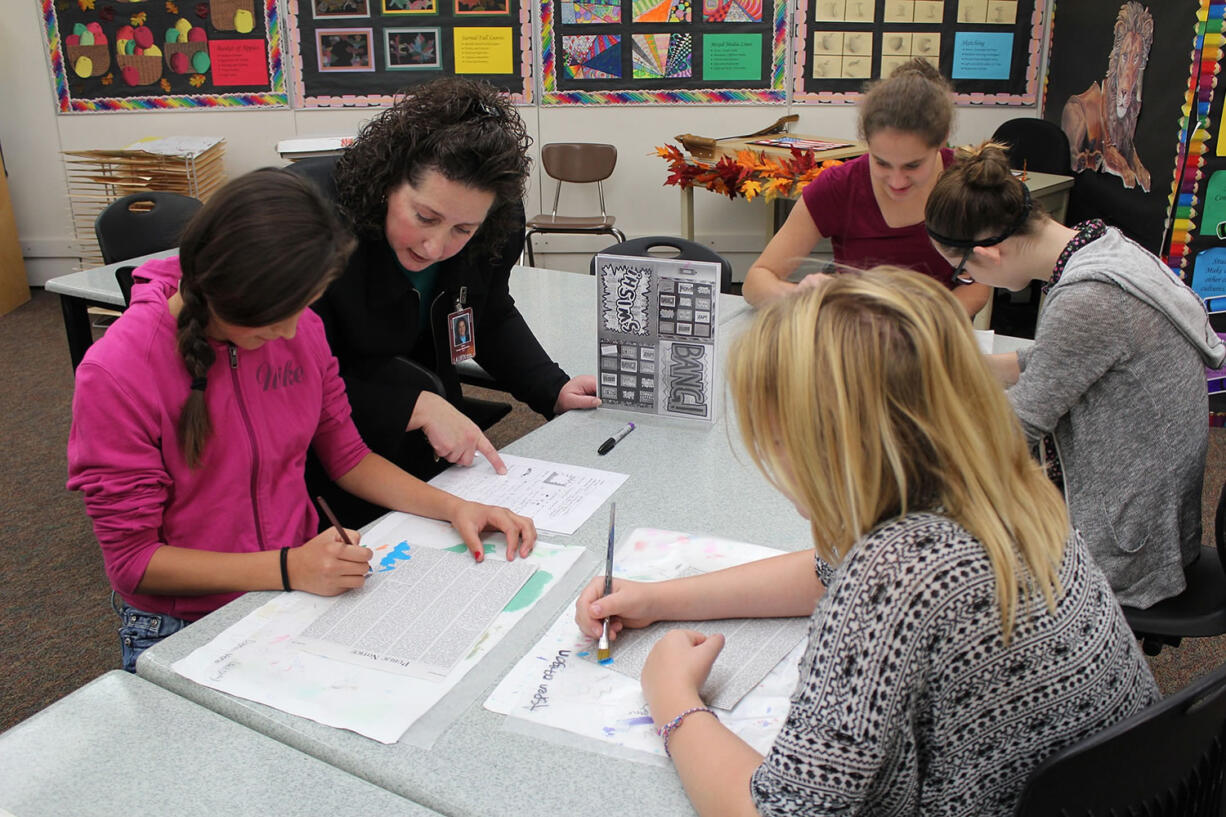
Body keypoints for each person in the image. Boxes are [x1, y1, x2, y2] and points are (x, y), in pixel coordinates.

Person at [575, 269, 1159, 816]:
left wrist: (672, 695)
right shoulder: (1003, 487)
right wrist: (657, 599)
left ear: (827, 446)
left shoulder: (896, 573)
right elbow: (824, 571)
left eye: (776, 438)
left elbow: (773, 810)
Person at [67, 170, 537, 673]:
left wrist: (454, 507)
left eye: (303, 308)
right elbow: (135, 562)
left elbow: (349, 458)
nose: (292, 331)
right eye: (274, 319)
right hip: (186, 625)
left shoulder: (300, 330)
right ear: (223, 289)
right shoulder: (117, 373)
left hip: (296, 589)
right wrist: (291, 567)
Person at [926, 141, 1225, 609]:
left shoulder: (1086, 299)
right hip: (1152, 514)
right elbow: (1065, 362)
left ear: (989, 255)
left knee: (944, 559)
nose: (968, 282)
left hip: (1128, 548)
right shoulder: (1105, 244)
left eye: (962, 273)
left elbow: (1010, 433)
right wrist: (962, 367)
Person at [290, 78, 599, 524]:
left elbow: (487, 313)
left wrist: (551, 388)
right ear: (386, 182)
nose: (434, 247)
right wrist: (409, 404)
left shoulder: (496, 218)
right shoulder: (312, 217)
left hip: (428, 439)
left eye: (462, 230)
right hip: (324, 458)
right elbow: (281, 370)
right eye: (424, 217)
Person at [742, 59, 989, 317]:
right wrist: (801, 295)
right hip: (856, 339)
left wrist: (926, 325)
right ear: (866, 141)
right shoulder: (839, 188)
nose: (896, 181)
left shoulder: (964, 183)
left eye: (913, 166)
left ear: (941, 141)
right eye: (881, 163)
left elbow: (977, 286)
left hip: (935, 337)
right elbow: (756, 282)